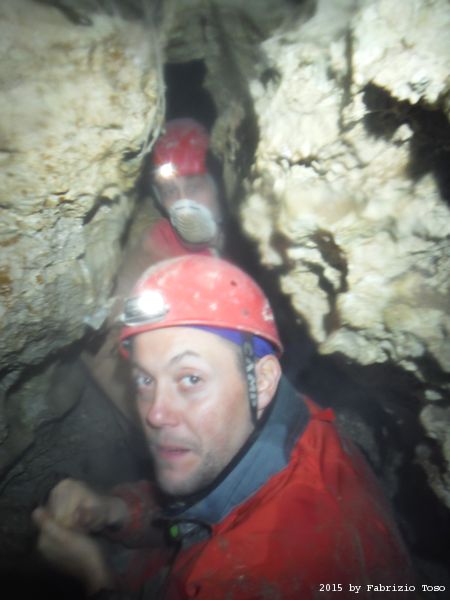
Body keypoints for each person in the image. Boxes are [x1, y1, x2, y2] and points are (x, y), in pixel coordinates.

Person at [33, 255, 415, 599]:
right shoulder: (289, 422)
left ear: (262, 380)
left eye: (190, 379)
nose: (156, 414)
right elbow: (197, 500)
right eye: (145, 380)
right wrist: (114, 510)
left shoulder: (254, 577)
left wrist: (94, 577)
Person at [82, 119, 226, 417]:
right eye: (170, 191)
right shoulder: (156, 246)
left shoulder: (254, 234)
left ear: (220, 184)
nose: (184, 203)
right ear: (159, 199)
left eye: (195, 186)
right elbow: (102, 346)